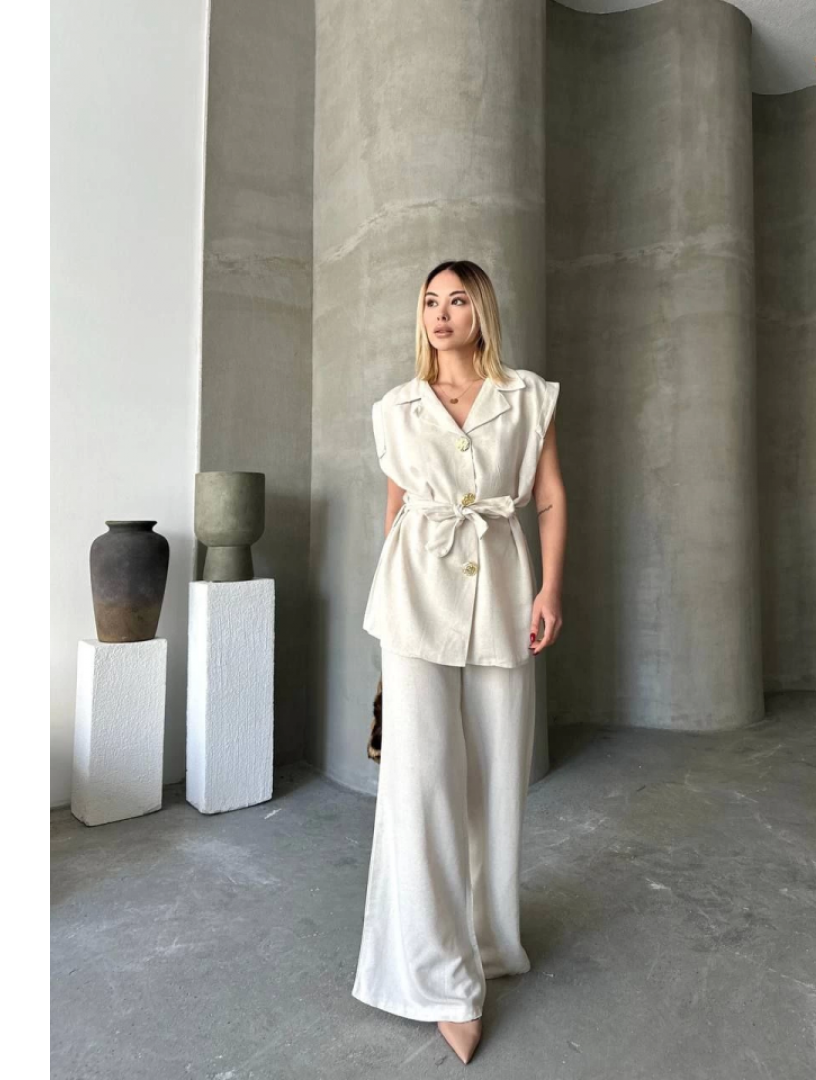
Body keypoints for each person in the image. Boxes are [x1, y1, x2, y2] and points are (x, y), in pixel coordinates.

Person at [351, 260, 567, 1064]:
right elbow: (396, 511)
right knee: (423, 783)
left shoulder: (527, 396)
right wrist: (391, 622)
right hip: (414, 602)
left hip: (503, 595)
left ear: (482, 312)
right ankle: (442, 979)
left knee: (496, 776)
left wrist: (550, 590)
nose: (442, 314)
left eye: (458, 301)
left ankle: (486, 936)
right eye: (431, 302)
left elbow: (549, 495)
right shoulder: (396, 407)